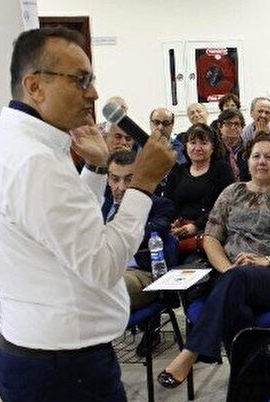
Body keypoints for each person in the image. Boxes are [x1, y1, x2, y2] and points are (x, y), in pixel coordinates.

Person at [0, 26, 176, 402]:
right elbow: (99, 262)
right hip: (64, 366)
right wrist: (144, 183)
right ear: (35, 86)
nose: (94, 93)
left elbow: (60, 233)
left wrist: (98, 170)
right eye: (79, 79)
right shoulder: (35, 161)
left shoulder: (3, 146)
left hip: (24, 349)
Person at [159, 132, 270, 387]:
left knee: (234, 285)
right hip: (230, 274)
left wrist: (266, 260)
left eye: (269, 157)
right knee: (235, 306)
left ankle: (192, 351)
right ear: (247, 160)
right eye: (256, 156)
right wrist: (227, 268)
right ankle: (249, 392)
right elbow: (210, 238)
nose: (261, 162)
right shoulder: (232, 192)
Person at [103, 149, 175, 310]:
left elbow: (151, 231)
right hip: (99, 269)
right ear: (108, 179)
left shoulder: (159, 205)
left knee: (107, 288)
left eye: (129, 180)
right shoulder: (98, 204)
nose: (121, 187)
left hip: (139, 273)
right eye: (115, 179)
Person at [164, 123, 234, 252]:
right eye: (192, 142)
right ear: (186, 146)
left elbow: (224, 207)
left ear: (212, 147)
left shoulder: (222, 169)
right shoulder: (177, 171)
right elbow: (168, 204)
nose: (197, 148)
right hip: (178, 231)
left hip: (210, 232)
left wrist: (195, 226)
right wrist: (172, 224)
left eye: (203, 143)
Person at [217, 107, 248, 182]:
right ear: (220, 126)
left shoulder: (248, 150)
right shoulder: (214, 149)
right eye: (228, 123)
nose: (233, 127)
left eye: (237, 124)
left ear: (242, 127)